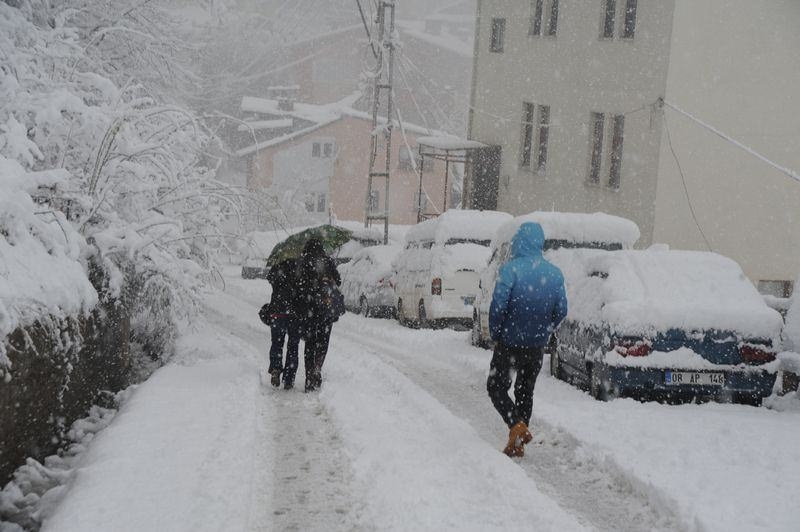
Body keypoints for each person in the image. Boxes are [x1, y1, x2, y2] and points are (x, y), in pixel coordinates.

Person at [487, 222, 568, 457]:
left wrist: (496, 332)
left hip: (509, 343)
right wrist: (546, 328)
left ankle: (515, 425)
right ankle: (517, 443)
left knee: (496, 387)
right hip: (535, 346)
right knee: (525, 391)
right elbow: (561, 310)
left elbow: (498, 307)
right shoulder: (554, 274)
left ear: (518, 242)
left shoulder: (510, 270)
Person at [294, 238, 341, 392]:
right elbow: (338, 281)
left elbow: (298, 284)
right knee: (323, 341)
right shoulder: (327, 261)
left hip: (308, 311)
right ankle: (317, 367)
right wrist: (327, 280)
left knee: (310, 343)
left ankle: (309, 376)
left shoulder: (303, 262)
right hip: (325, 311)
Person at [266, 258, 301, 389]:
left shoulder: (276, 270)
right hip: (294, 314)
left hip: (277, 313)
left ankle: (275, 367)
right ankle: (289, 378)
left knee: (277, 343)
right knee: (293, 346)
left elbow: (270, 279)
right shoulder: (299, 271)